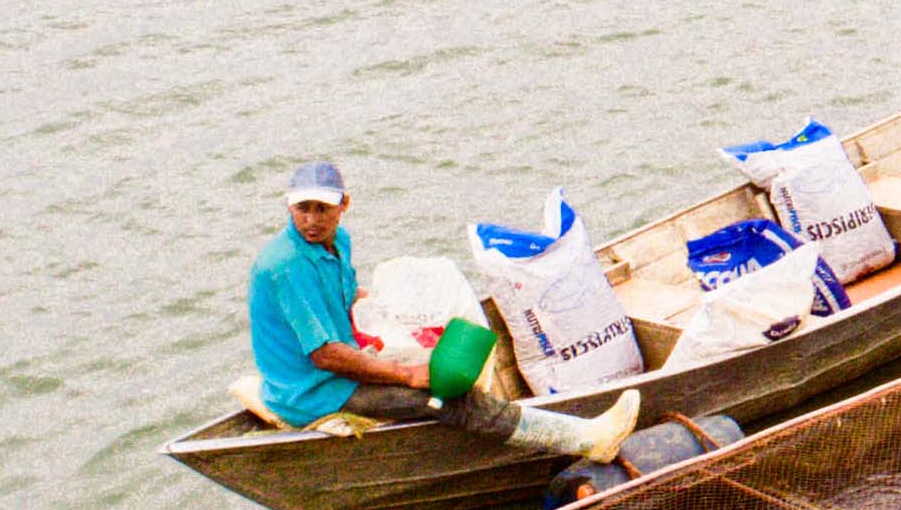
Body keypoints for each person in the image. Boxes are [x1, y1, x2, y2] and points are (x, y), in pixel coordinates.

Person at [249, 160, 637, 459]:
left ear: (343, 206)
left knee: (449, 366)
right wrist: (407, 373)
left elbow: (349, 296)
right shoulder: (287, 266)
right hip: (315, 390)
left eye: (322, 209)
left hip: (342, 361)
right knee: (448, 399)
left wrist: (407, 315)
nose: (311, 220)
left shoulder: (337, 242)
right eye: (302, 209)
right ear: (289, 207)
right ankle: (588, 439)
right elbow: (325, 355)